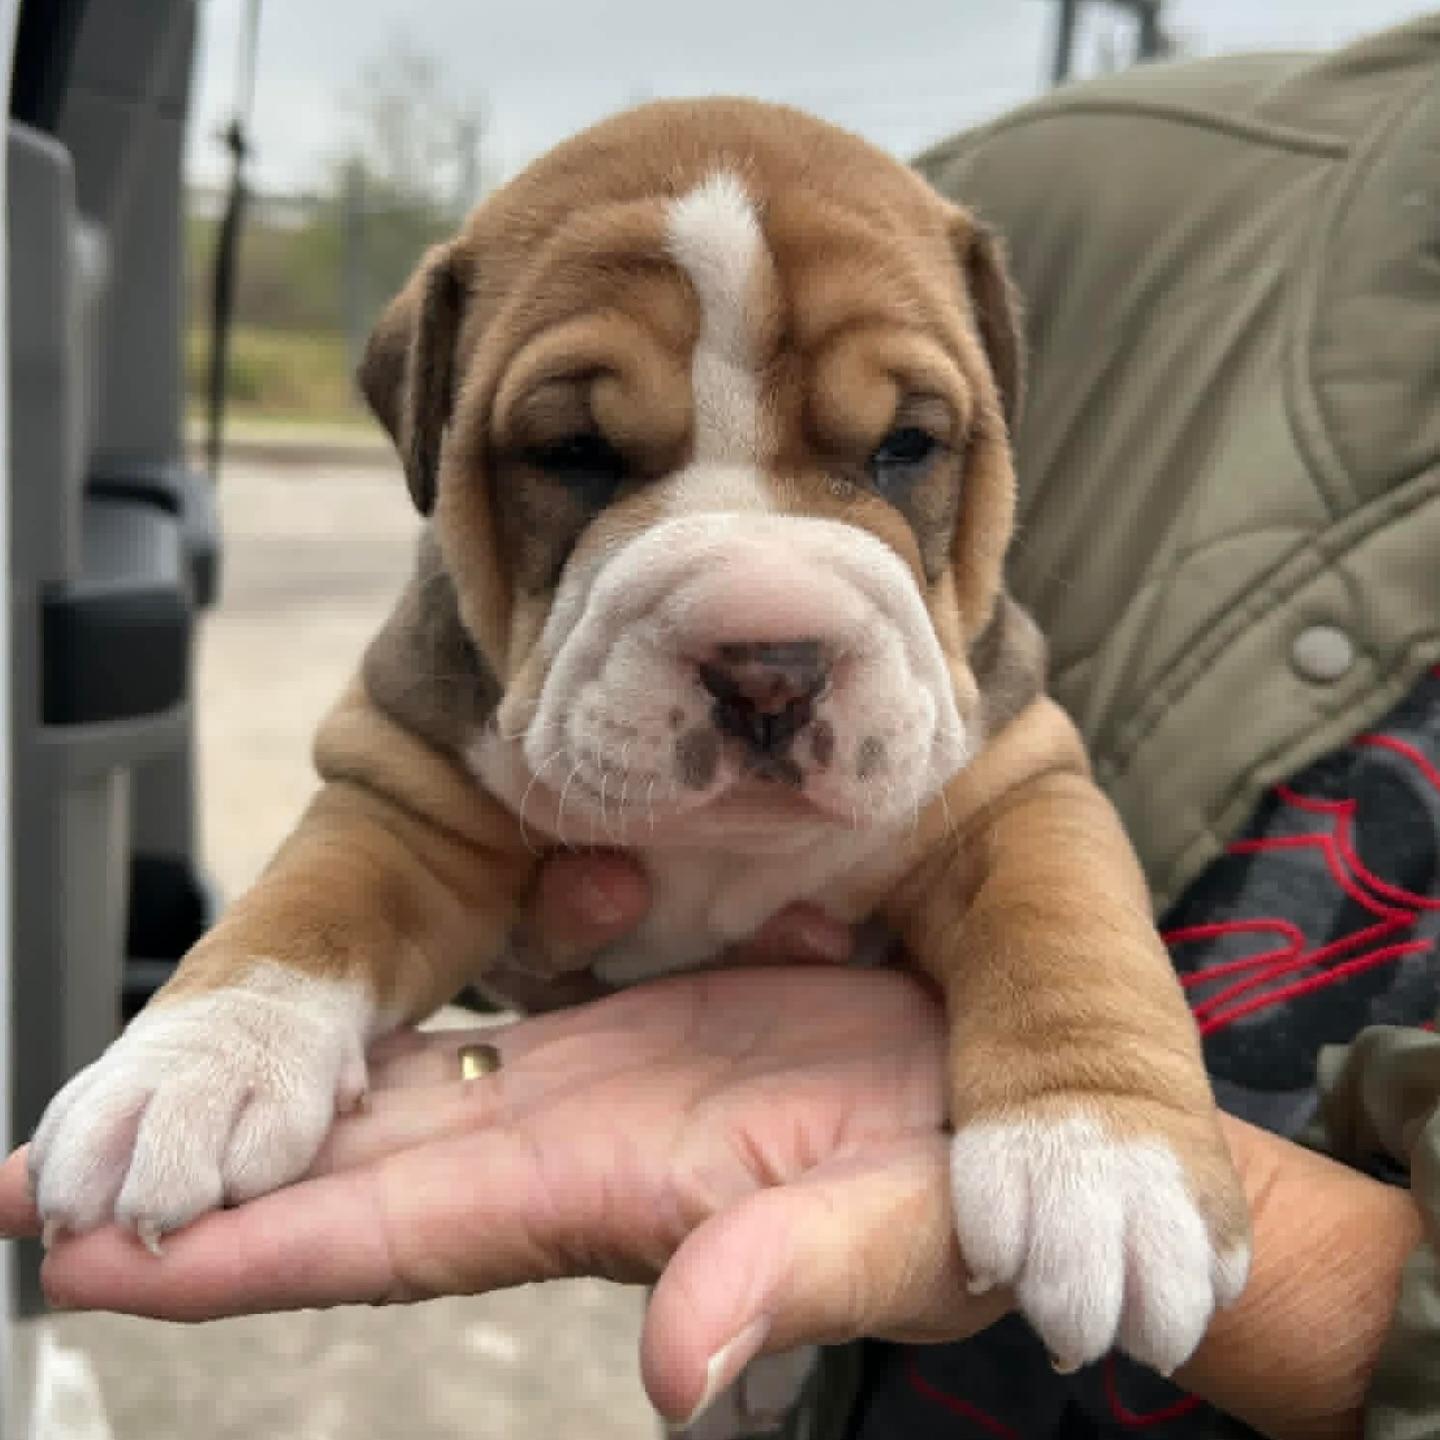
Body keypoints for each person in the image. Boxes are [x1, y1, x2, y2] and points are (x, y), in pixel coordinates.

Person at [5, 13, 1440, 1440]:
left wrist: (1088, 1073)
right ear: (431, 422)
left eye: (899, 448)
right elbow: (400, 827)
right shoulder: (1088, 178)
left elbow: (1023, 824)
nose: (767, 638)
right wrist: (257, 1005)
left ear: (996, 403)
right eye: (580, 451)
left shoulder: (961, 311)